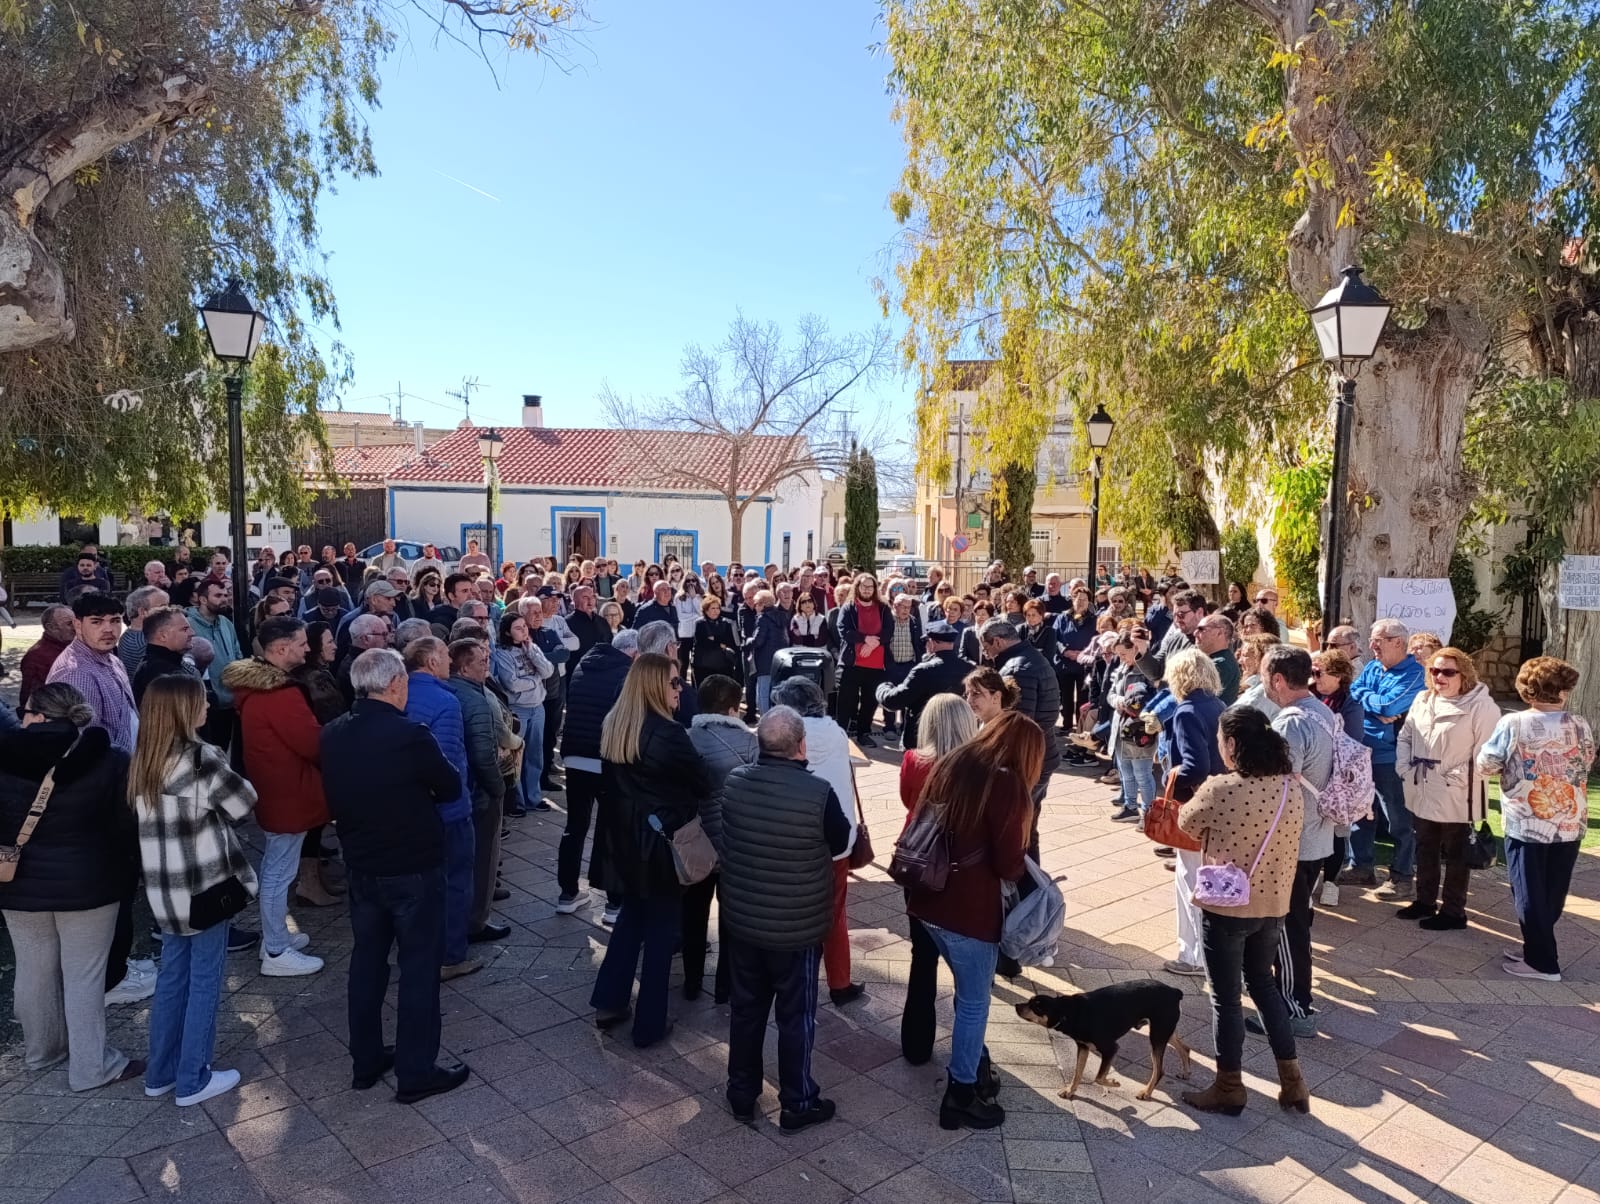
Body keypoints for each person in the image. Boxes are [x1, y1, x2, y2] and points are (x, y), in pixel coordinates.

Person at [322, 647, 472, 1102]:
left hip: (363, 865)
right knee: (419, 965)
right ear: (395, 685)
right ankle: (416, 1070)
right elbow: (448, 785)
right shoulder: (410, 736)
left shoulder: (332, 733)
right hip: (411, 868)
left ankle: (365, 1060)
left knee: (367, 961)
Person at [0, 683, 143, 1092]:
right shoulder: (111, 760)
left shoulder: (5, 757)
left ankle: (42, 1051)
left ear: (41, 716)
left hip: (18, 884)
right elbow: (126, 825)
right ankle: (90, 1067)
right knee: (84, 975)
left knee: (33, 968)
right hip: (90, 884)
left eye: (25, 709)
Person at [130, 675, 261, 1106]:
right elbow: (244, 803)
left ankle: (161, 1071)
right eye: (202, 701)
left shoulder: (143, 759)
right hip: (205, 887)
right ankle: (193, 1077)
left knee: (172, 979)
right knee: (204, 980)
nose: (208, 706)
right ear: (185, 710)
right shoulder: (200, 759)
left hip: (163, 892)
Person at [718, 714, 851, 1137]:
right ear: (801, 746)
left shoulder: (735, 782)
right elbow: (840, 838)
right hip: (795, 928)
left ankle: (741, 1093)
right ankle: (797, 1100)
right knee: (796, 1017)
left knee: (746, 1009)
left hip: (743, 920)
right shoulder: (818, 793)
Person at [907, 711, 1041, 1130]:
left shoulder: (953, 762)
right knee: (972, 1003)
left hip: (928, 901)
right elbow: (1008, 864)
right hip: (969, 913)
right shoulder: (1007, 784)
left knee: (963, 992)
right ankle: (960, 1094)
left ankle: (975, 1066)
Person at [1176, 707, 1307, 1116]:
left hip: (1228, 907)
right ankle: (1293, 1082)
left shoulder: (1222, 788)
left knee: (1226, 1000)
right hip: (1273, 905)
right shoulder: (1291, 786)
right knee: (1264, 986)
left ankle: (1229, 1085)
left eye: (1221, 740)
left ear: (1232, 744)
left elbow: (1186, 822)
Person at [590, 654, 711, 1047]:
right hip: (660, 844)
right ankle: (650, 1024)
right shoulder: (667, 733)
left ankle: (609, 1001)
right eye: (675, 682)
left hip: (625, 841)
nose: (681, 689)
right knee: (660, 933)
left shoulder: (615, 723)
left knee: (631, 920)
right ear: (656, 686)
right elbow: (702, 782)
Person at [221, 617, 329, 976]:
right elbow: (312, 743)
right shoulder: (279, 694)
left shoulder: (259, 690)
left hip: (277, 790)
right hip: (287, 793)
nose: (307, 648)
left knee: (278, 869)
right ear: (281, 649)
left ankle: (276, 937)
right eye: (301, 643)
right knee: (279, 872)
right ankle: (276, 951)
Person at [1478, 657, 1596, 981]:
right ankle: (1535, 946)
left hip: (1527, 818)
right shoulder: (1580, 724)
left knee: (1528, 890)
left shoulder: (1512, 724)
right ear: (1564, 690)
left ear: (1527, 690)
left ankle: (1543, 963)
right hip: (1571, 817)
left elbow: (1486, 764)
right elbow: (1586, 759)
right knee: (1553, 890)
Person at [1388, 646, 1502, 933]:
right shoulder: (1423, 699)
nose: (1439, 676)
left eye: (1448, 671)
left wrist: (1453, 775)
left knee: (1457, 853)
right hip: (1421, 785)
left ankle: (1453, 911)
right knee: (1425, 847)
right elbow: (1406, 736)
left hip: (1457, 792)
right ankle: (1425, 901)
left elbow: (1488, 753)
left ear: (1463, 674)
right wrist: (1404, 767)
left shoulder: (1482, 706)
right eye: (1434, 670)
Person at [771, 677, 865, 1007]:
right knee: (835, 914)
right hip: (838, 842)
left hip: (797, 839)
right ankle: (840, 983)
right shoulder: (837, 733)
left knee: (796, 916)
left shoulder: (786, 736)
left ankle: (798, 983)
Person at [897, 694, 979, 1065]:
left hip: (919, 861)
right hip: (963, 867)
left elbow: (907, 800)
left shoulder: (914, 760)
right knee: (969, 965)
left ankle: (916, 1045)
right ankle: (969, 1051)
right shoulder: (981, 764)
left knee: (922, 956)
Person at [1258, 646, 1335, 1037]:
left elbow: (1277, 788)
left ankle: (1293, 1008)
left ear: (1276, 679)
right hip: (1316, 835)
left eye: (1262, 676)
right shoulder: (1321, 711)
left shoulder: (1289, 724)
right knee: (1297, 921)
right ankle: (1291, 998)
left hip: (1294, 841)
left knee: (1288, 928)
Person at [401, 637, 479, 980]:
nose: (450, 661)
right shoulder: (445, 701)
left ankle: (421, 949)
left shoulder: (400, 694)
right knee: (456, 881)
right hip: (448, 811)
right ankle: (451, 955)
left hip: (411, 809)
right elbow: (448, 765)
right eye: (445, 656)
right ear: (431, 661)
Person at [556, 628, 639, 920]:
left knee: (575, 826)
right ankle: (614, 902)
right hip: (605, 758)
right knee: (612, 829)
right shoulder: (626, 672)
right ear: (634, 652)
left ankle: (567, 893)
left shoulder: (585, 664)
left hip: (575, 755)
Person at [683, 675, 757, 1004]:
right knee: (732, 919)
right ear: (731, 708)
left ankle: (691, 981)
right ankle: (725, 986)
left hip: (697, 844)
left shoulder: (686, 738)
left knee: (693, 915)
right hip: (737, 844)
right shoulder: (751, 743)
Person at [1343, 619, 1427, 895]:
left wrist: (1376, 705)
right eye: (1371, 639)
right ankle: (1361, 867)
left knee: (1398, 817)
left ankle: (1403, 877)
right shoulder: (1371, 667)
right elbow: (1352, 693)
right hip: (1361, 751)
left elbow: (1391, 704)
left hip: (1390, 756)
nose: (1371, 646)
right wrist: (1376, 709)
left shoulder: (1415, 674)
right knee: (1360, 812)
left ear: (1398, 642)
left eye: (1378, 640)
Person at [1163, 648, 1227, 978]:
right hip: (1220, 804)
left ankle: (1193, 955)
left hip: (1195, 807)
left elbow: (1194, 765)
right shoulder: (1218, 705)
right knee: (1207, 879)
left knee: (1191, 881)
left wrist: (1169, 776)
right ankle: (1205, 952)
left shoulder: (1186, 710)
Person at [442, 640, 511, 947]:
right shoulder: (474, 698)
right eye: (481, 662)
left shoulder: (449, 689)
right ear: (464, 666)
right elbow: (484, 754)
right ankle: (476, 921)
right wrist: (498, 789)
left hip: (458, 792)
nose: (487, 666)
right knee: (483, 858)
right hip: (479, 791)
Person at [978, 619, 1061, 857]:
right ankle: (1029, 884)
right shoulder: (1031, 657)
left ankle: (1025, 886)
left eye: (987, 647)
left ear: (998, 641)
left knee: (1017, 828)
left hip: (1027, 761)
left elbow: (1018, 725)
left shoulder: (1016, 669)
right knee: (1026, 826)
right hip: (1040, 755)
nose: (987, 654)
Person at [45, 594, 138, 755]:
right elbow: (82, 746)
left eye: (115, 620)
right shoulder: (76, 673)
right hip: (107, 772)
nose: (108, 629)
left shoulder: (111, 658)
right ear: (78, 625)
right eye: (97, 621)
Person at [874, 620, 972, 748]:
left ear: (931, 643)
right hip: (956, 739)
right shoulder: (969, 669)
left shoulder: (923, 670)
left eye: (926, 642)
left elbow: (894, 701)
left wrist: (883, 688)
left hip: (922, 739)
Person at [492, 612, 554, 816]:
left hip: (538, 707)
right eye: (518, 628)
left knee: (535, 754)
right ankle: (517, 801)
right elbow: (512, 683)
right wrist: (534, 681)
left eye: (524, 627)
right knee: (516, 755)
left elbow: (547, 671)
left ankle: (533, 797)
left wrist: (532, 652)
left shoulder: (532, 648)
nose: (524, 631)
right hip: (518, 709)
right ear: (508, 632)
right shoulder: (502, 653)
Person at [1107, 629, 1159, 823]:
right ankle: (1130, 806)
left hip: (1139, 730)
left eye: (1123, 654)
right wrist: (1119, 701)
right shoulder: (1121, 669)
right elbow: (1110, 693)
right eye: (1118, 655)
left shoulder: (1146, 670)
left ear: (1135, 649)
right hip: (1121, 727)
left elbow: (1155, 697)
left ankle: (1148, 813)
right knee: (1125, 771)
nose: (1121, 659)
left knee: (1142, 774)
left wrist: (1136, 705)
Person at [836, 572, 893, 744]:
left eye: (870, 586)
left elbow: (889, 630)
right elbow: (843, 629)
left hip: (876, 665)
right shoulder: (848, 607)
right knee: (846, 700)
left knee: (869, 702)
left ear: (875, 589)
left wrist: (875, 643)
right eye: (864, 586)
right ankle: (840, 734)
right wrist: (864, 639)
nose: (867, 590)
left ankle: (864, 733)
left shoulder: (883, 608)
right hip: (852, 663)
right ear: (857, 587)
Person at [185, 575, 244, 734]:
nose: (224, 599)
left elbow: (237, 654)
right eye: (218, 595)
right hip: (205, 701)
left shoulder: (226, 622)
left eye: (225, 595)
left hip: (231, 699)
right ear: (203, 600)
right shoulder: (188, 625)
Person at [879, 594, 926, 743]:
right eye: (903, 607)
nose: (907, 610)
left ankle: (905, 726)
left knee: (908, 696)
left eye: (909, 607)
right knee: (891, 695)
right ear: (895, 606)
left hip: (908, 664)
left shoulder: (913, 622)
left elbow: (917, 643)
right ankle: (890, 727)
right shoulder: (888, 621)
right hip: (891, 665)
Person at [133, 607, 198, 704]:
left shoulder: (156, 665)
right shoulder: (163, 673)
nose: (192, 633)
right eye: (184, 629)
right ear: (163, 636)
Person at [20, 604, 76, 711]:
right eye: (69, 624)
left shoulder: (73, 646)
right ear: (51, 627)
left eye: (75, 622)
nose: (75, 628)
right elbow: (29, 698)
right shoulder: (36, 656)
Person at [747, 589, 788, 713]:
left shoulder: (763, 618)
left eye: (756, 604)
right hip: (779, 661)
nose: (755, 607)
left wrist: (748, 642)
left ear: (762, 604)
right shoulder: (781, 616)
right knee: (777, 695)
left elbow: (758, 641)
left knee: (763, 695)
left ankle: (765, 722)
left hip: (764, 662)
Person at [119, 585, 169, 678]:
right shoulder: (145, 642)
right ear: (142, 612)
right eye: (163, 607)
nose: (169, 612)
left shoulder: (129, 634)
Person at [693, 594, 742, 683]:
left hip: (723, 665)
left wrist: (713, 639)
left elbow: (729, 642)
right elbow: (702, 642)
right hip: (704, 666)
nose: (716, 611)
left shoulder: (726, 623)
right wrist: (719, 643)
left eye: (717, 608)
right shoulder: (700, 623)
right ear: (706, 610)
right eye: (713, 608)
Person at [1194, 613, 1241, 704]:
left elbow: (1194, 698)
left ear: (1219, 632)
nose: (1195, 633)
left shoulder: (1221, 664)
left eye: (1201, 629)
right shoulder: (1218, 660)